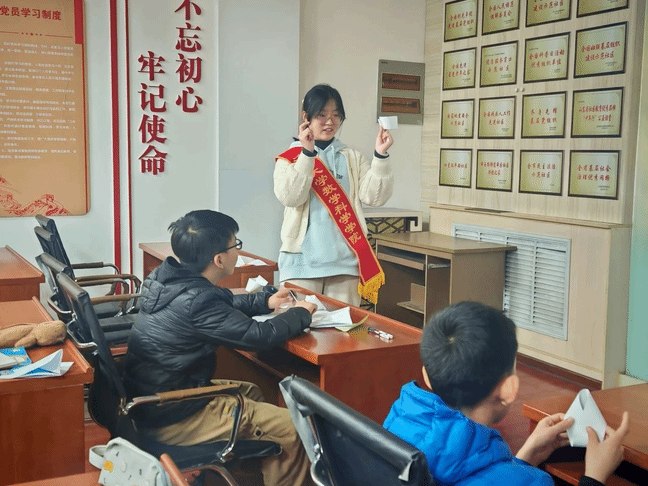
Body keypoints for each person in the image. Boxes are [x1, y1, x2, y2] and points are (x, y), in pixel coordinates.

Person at [123, 209, 317, 486]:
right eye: (235, 245)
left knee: (252, 390)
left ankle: (247, 475)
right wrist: (300, 313)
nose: (238, 251)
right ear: (219, 259)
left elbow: (215, 304)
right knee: (293, 428)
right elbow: (258, 336)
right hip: (173, 417)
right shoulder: (199, 300)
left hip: (153, 402)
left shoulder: (164, 279)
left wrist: (263, 301)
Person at [383, 301, 630, 486]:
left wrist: (526, 456)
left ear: (426, 375)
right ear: (508, 389)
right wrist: (595, 476)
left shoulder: (396, 422)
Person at [274, 83, 394, 307]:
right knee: (298, 326)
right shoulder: (289, 158)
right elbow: (291, 197)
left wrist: (380, 156)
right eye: (322, 115)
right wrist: (307, 154)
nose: (330, 122)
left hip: (345, 265)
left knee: (344, 328)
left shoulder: (352, 157)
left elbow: (374, 197)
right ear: (306, 117)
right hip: (302, 265)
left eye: (336, 115)